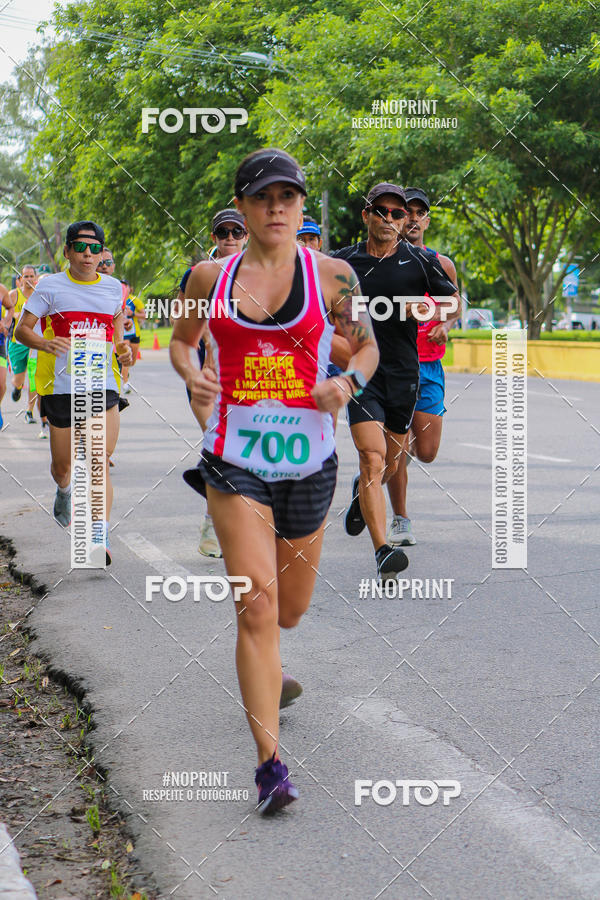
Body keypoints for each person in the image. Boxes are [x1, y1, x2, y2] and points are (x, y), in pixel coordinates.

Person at [170, 149, 378, 813]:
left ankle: (272, 668)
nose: (278, 208)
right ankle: (269, 767)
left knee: (288, 610)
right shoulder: (210, 278)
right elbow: (180, 340)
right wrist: (190, 371)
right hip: (234, 460)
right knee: (255, 608)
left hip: (311, 462)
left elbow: (368, 345)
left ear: (301, 205)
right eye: (265, 198)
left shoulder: (334, 277)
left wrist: (348, 381)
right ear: (245, 205)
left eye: (290, 197)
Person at [332, 183, 459, 581]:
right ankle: (382, 549)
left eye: (397, 213)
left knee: (390, 462)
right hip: (363, 375)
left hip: (407, 374)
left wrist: (436, 309)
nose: (389, 219)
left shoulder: (421, 261)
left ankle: (361, 493)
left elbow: (453, 300)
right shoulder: (342, 262)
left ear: (405, 220)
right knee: (371, 459)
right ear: (366, 215)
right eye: (381, 211)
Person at [15, 221, 132, 564]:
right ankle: (64, 490)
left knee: (99, 461)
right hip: (62, 387)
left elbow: (117, 333)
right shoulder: (50, 287)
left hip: (102, 384)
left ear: (102, 254)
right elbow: (22, 330)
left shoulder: (113, 289)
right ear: (66, 252)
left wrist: (123, 350)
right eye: (80, 247)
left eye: (95, 248)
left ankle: (98, 537)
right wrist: (45, 342)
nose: (87, 254)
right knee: (63, 466)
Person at [386, 187, 461, 546]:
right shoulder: (382, 262)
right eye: (407, 212)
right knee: (395, 448)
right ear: (396, 219)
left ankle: (386, 464)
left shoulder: (440, 263)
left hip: (428, 366)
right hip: (391, 367)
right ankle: (400, 519)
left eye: (420, 213)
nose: (413, 218)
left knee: (426, 452)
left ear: (426, 220)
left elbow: (454, 302)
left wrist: (444, 326)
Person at [176, 209, 248, 560]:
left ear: (247, 235)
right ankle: (213, 525)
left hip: (252, 377)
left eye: (237, 231)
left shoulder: (263, 275)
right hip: (208, 379)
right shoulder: (198, 275)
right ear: (214, 238)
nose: (230, 238)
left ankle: (225, 520)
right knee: (224, 444)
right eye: (223, 233)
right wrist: (197, 366)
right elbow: (183, 328)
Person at [8, 266, 41, 424]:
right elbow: (6, 315)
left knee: (33, 378)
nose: (28, 279)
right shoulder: (14, 295)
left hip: (34, 342)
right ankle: (18, 387)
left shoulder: (39, 295)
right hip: (17, 343)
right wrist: (14, 314)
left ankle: (29, 411)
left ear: (35, 278)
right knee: (18, 379)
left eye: (31, 276)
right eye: (25, 276)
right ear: (20, 279)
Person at [0, 281, 15, 429]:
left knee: (1, 383)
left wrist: (5, 322)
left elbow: (10, 307)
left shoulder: (1, 289)